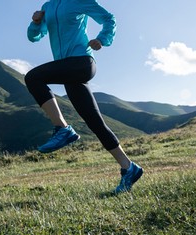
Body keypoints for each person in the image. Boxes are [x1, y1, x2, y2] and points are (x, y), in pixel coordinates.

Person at [25, 0, 142, 194]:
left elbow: (108, 19)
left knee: (33, 77)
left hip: (82, 62)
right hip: (67, 69)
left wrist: (102, 39)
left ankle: (62, 129)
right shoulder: (48, 7)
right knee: (95, 123)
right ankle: (129, 168)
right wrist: (36, 23)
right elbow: (34, 37)